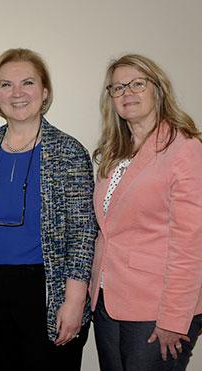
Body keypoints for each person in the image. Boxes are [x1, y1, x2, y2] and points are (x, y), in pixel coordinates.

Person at [0, 48, 97, 370]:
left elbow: (84, 234)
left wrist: (73, 302)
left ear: (44, 92)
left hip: (47, 286)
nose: (17, 93)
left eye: (27, 83)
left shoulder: (68, 151)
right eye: (6, 85)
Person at [90, 54, 202, 371]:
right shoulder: (114, 152)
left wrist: (174, 319)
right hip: (107, 300)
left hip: (158, 309)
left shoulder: (184, 149)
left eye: (138, 84)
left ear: (158, 90)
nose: (128, 92)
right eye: (118, 87)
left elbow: (191, 244)